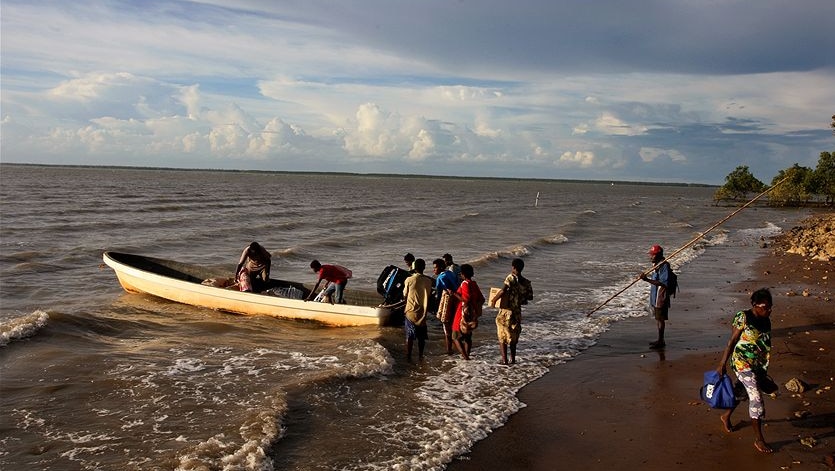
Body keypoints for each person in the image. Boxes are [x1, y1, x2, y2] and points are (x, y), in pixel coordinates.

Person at [716, 288, 774, 454]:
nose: (768, 310)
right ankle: (759, 439)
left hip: (757, 365)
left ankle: (726, 416)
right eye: (765, 307)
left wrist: (763, 371)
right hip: (741, 363)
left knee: (743, 393)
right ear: (755, 305)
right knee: (756, 397)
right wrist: (722, 364)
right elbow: (732, 341)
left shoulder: (766, 320)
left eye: (770, 307)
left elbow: (764, 346)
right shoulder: (743, 317)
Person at [490, 258, 531, 365]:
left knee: (502, 335)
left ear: (513, 267)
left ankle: (505, 360)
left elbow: (503, 290)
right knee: (513, 336)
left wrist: (494, 300)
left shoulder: (511, 277)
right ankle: (513, 359)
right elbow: (529, 297)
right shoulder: (526, 282)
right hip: (517, 312)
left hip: (506, 311)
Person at [447, 263, 484, 360]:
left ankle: (465, 357)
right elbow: (482, 299)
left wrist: (454, 293)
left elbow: (466, 299)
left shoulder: (464, 284)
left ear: (463, 274)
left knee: (455, 336)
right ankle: (467, 355)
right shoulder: (474, 284)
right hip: (472, 314)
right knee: (468, 335)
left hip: (462, 312)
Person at [639, 244, 671, 349]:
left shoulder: (664, 266)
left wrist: (646, 279)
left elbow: (663, 283)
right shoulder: (656, 265)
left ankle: (661, 341)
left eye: (652, 255)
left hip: (661, 296)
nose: (651, 257)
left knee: (660, 319)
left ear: (658, 255)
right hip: (655, 295)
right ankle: (660, 340)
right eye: (651, 255)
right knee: (658, 318)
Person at [402, 259, 433, 361]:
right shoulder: (429, 281)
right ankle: (420, 356)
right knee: (421, 337)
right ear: (424, 268)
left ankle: (408, 357)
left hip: (410, 311)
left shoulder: (409, 280)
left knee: (409, 336)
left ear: (414, 268)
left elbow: (405, 295)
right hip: (422, 312)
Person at [432, 258, 461, 355]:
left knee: (446, 326)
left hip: (447, 301)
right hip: (456, 300)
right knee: (454, 324)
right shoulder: (450, 273)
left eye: (435, 268)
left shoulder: (441, 277)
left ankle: (449, 350)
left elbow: (439, 292)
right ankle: (457, 346)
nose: (434, 270)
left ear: (440, 268)